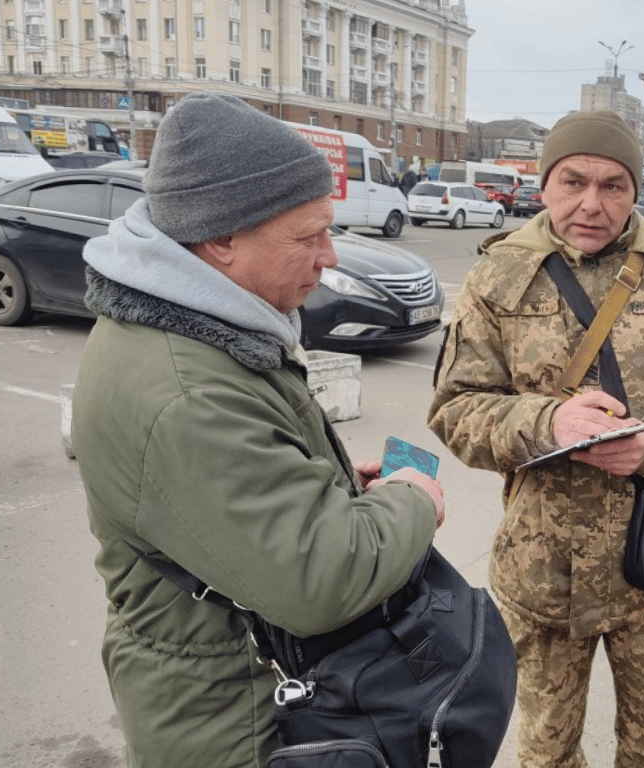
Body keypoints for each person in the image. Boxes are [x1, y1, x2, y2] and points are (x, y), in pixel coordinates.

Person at [70, 92, 444, 768]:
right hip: (231, 721)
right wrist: (414, 497)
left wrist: (324, 486)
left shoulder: (192, 324)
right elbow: (320, 579)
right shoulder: (185, 390)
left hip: (239, 684)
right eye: (308, 236)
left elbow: (229, 492)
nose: (329, 256)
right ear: (220, 239)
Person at [428, 110, 644, 767]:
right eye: (573, 180)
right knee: (546, 754)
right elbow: (455, 407)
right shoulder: (499, 278)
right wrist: (544, 422)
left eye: (614, 185)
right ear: (544, 183)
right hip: (542, 572)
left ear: (635, 191)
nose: (592, 202)